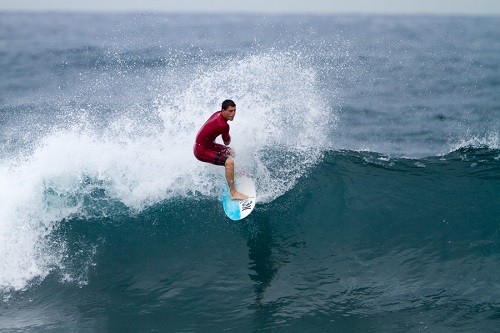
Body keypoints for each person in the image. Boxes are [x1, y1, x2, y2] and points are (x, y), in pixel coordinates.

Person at [194, 99, 248, 200]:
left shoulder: (218, 114)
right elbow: (226, 142)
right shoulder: (223, 125)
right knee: (229, 162)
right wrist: (227, 135)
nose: (233, 114)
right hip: (201, 150)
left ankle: (232, 174)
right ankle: (233, 192)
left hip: (208, 144)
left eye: (234, 111)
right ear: (223, 110)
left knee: (231, 152)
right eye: (230, 111)